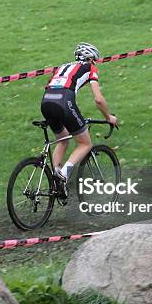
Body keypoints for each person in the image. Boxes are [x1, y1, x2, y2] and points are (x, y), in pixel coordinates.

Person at [40, 42, 117, 194]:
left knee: (62, 140)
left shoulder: (62, 67)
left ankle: (56, 182)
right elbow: (99, 99)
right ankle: (63, 174)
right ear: (90, 60)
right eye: (94, 61)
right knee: (85, 143)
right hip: (64, 102)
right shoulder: (90, 68)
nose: (95, 64)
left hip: (46, 101)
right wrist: (109, 117)